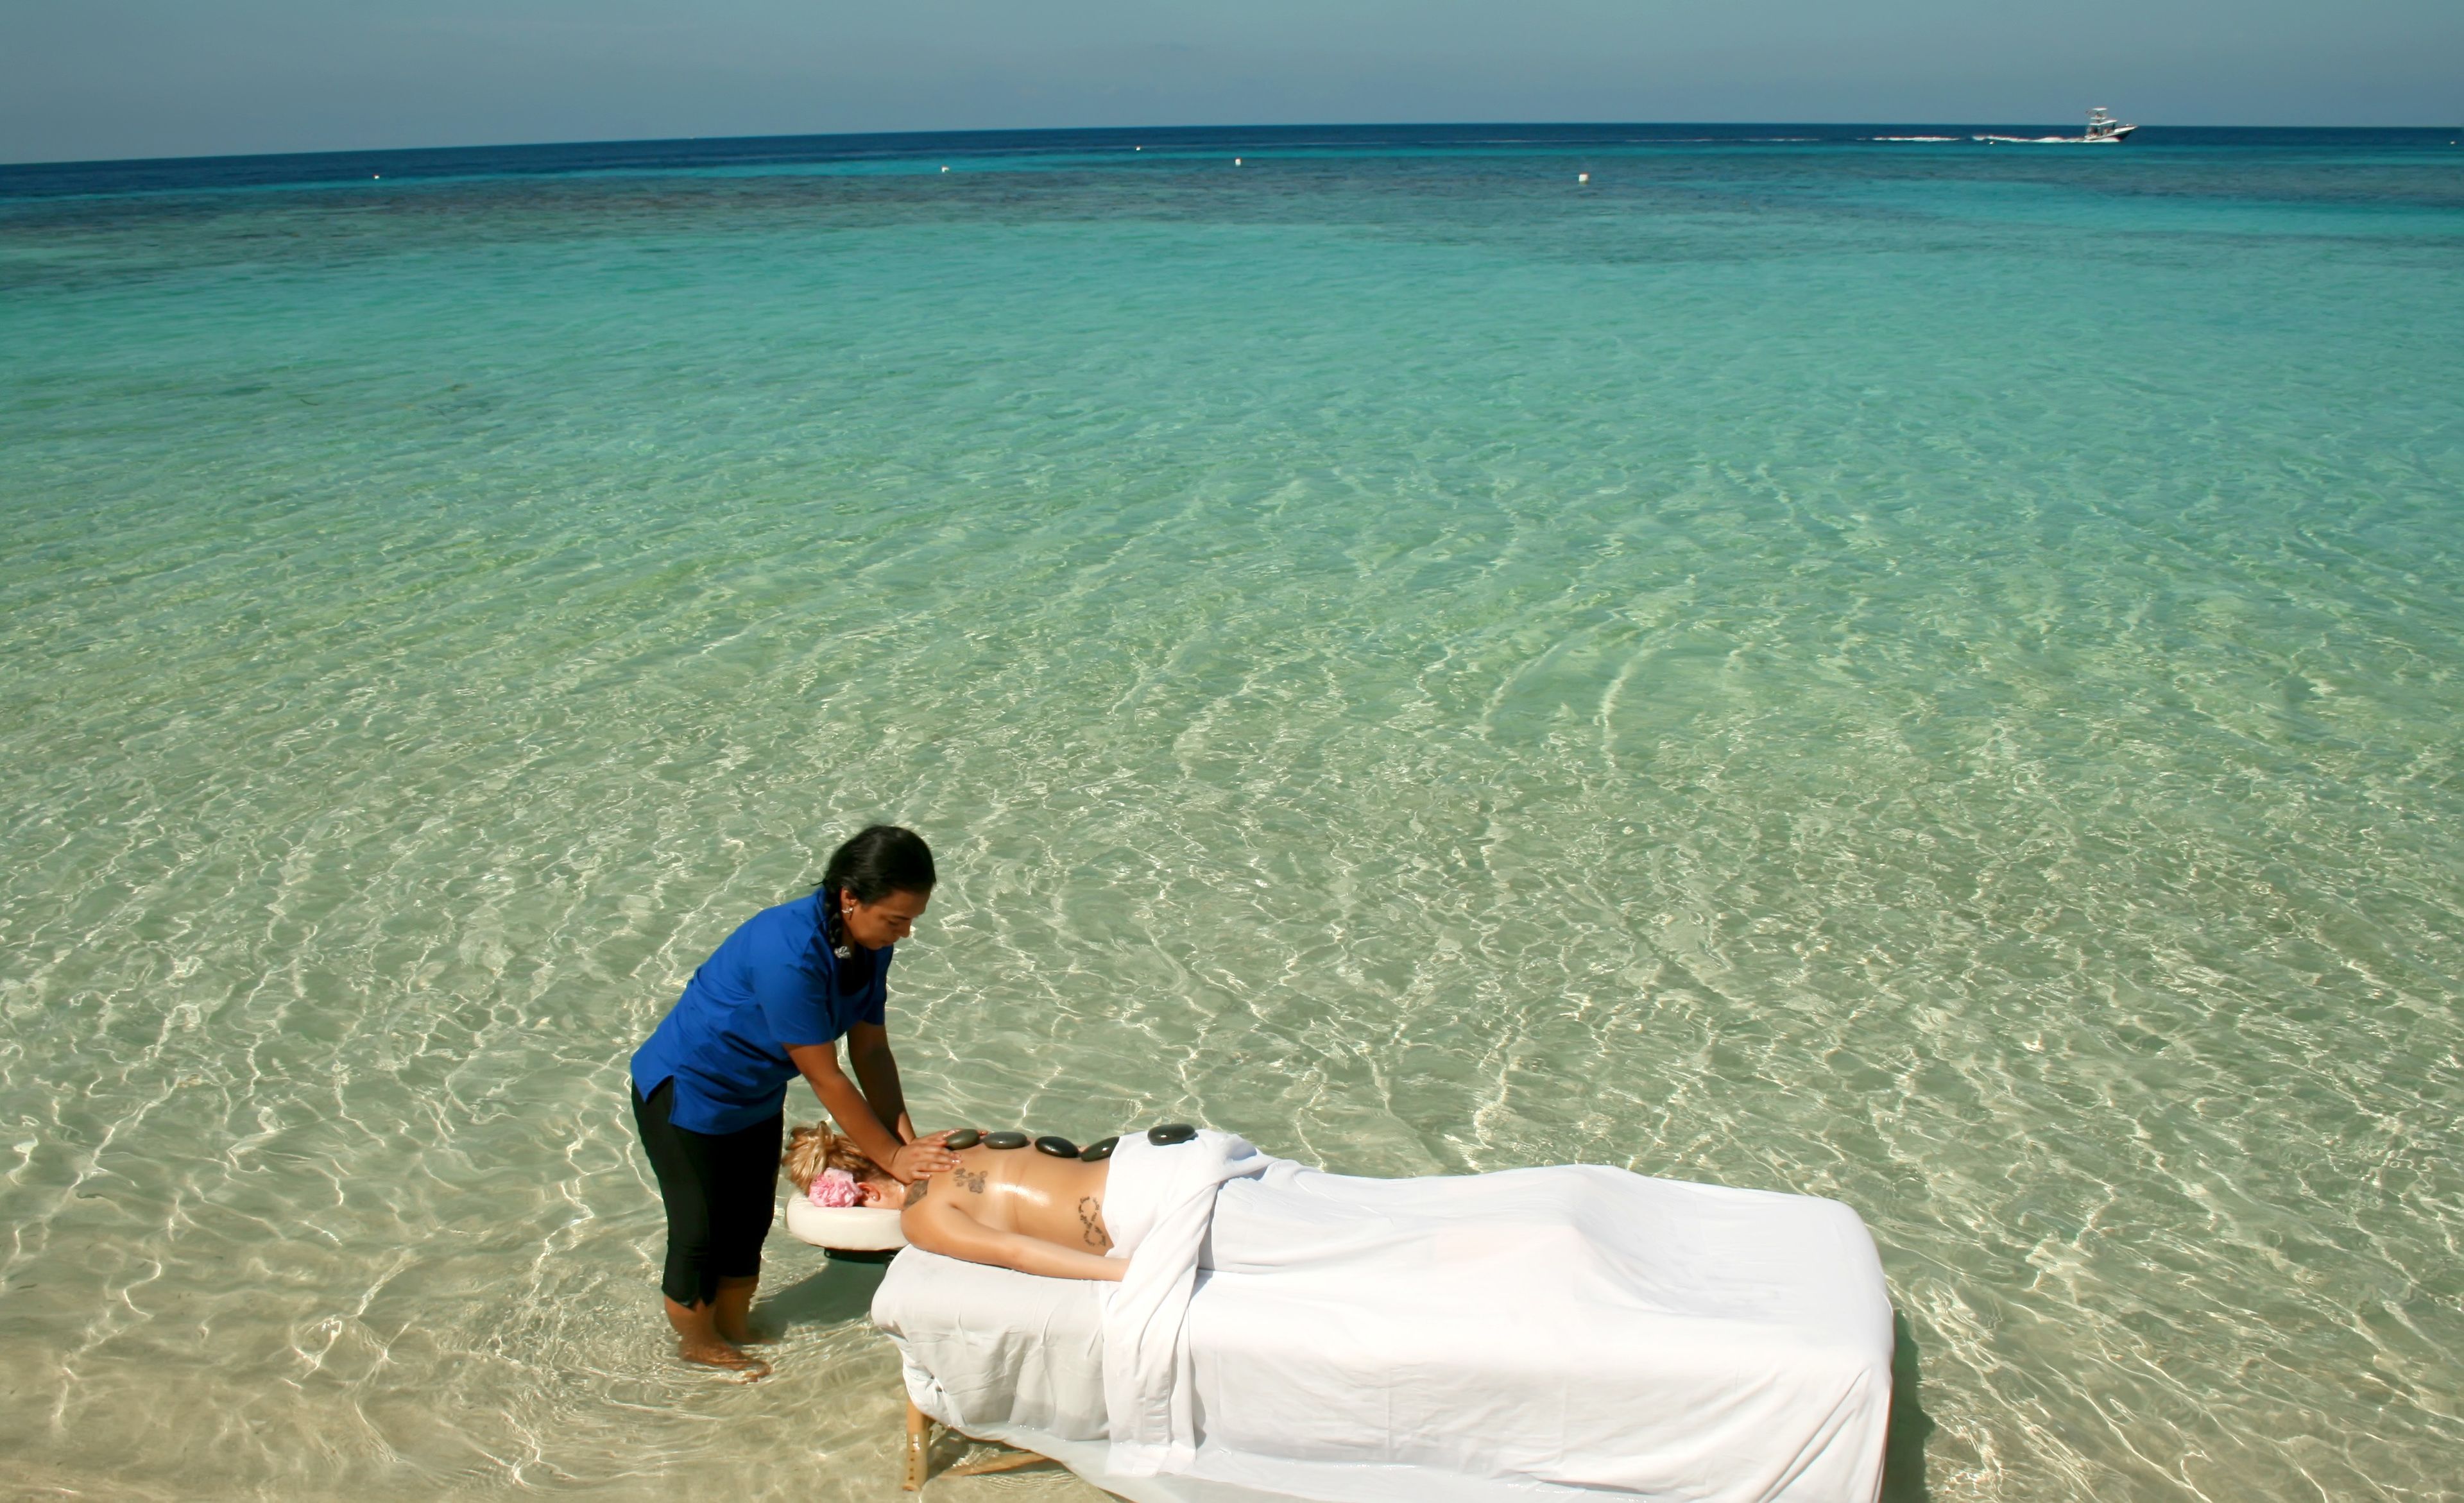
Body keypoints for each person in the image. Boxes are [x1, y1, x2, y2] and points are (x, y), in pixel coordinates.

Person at [628, 824, 961, 1374]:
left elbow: (872, 1050)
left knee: (751, 1221)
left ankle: (736, 1327)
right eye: (897, 919)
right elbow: (827, 1077)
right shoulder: (789, 952)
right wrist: (893, 1159)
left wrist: (907, 1146)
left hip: (754, 1092)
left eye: (912, 921)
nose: (905, 933)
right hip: (686, 1091)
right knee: (699, 1232)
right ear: (850, 898)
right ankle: (697, 1344)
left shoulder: (868, 943)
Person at [897, 1133, 1122, 1281]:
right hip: (1138, 1154)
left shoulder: (917, 1214)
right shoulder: (956, 1141)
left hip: (1125, 1211)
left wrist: (1128, 1272)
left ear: (870, 1192)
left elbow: (1016, 1252)